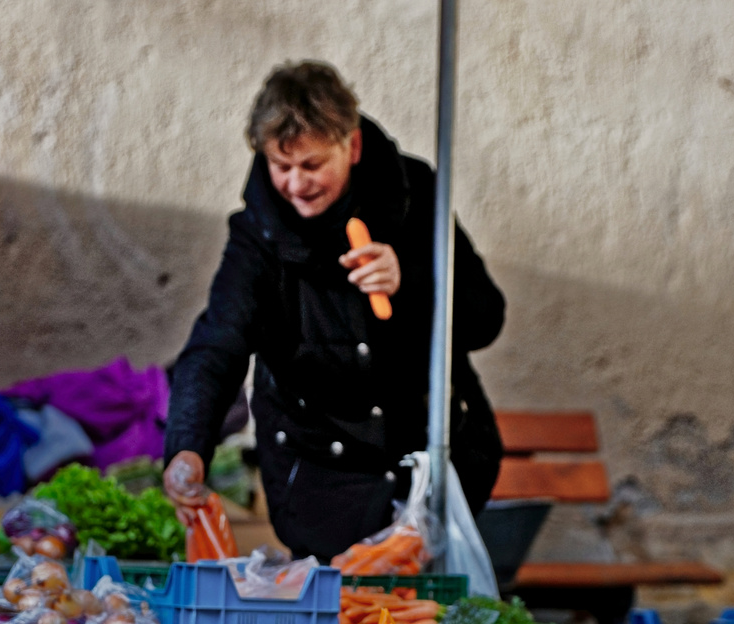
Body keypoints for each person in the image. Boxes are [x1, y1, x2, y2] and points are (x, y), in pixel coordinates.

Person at [163, 60, 506, 562]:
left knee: (432, 622)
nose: (296, 185)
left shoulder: (418, 196)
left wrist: (410, 280)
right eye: (282, 167)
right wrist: (188, 445)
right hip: (320, 475)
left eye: (312, 165)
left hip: (433, 467)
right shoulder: (256, 236)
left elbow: (485, 319)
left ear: (354, 146)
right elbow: (218, 344)